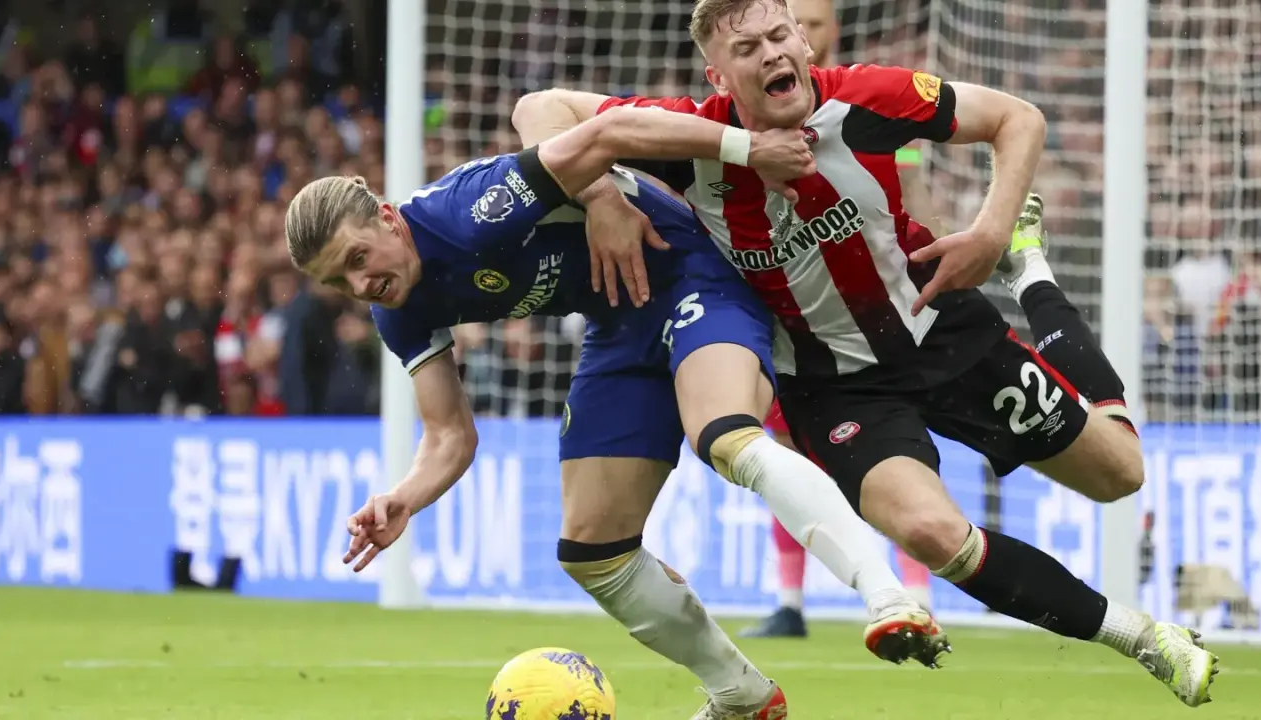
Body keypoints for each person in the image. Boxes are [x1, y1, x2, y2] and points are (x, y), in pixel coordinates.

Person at [510, 0, 1220, 707]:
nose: (771, 54)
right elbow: (540, 108)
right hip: (835, 389)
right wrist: (600, 195)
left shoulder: (867, 98)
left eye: (780, 36)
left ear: (805, 46)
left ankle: (1029, 271)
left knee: (1119, 474)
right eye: (747, 48)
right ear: (717, 75)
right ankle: (1145, 638)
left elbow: (1017, 118)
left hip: (939, 330)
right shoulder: (691, 138)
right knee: (929, 531)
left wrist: (992, 231)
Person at [287, 105, 948, 720]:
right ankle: (741, 694)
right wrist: (405, 497)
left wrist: (626, 185)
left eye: (356, 258)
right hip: (618, 319)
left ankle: (888, 596)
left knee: (723, 437)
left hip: (693, 273)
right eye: (338, 282)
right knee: (592, 547)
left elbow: (600, 131)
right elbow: (449, 435)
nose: (359, 284)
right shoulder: (398, 313)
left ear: (386, 216)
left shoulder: (471, 212)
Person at [742, 0, 937, 639]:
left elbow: (913, 202)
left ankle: (915, 590)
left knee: (904, 451)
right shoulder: (743, 123)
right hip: (792, 325)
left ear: (821, 35)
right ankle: (790, 602)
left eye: (808, 28)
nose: (789, 44)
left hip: (885, 313)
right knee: (787, 452)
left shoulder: (868, 105)